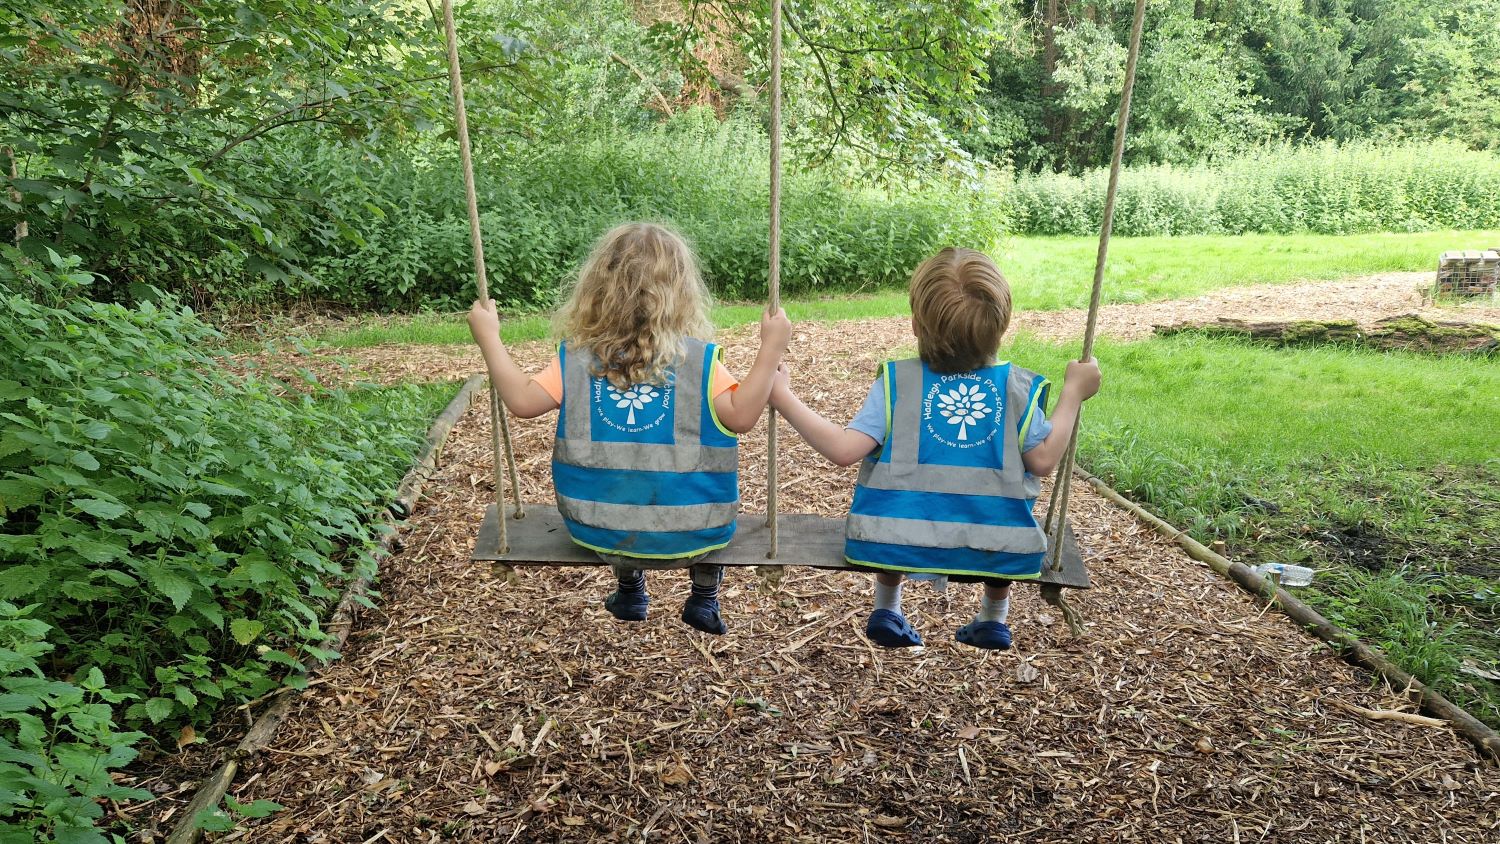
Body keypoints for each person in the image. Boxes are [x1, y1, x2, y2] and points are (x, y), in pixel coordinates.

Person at [769, 247, 1100, 650]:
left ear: (914, 324)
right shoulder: (1016, 389)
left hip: (891, 540)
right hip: (995, 545)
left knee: (898, 509)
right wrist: (1072, 394)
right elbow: (1044, 460)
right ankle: (993, 617)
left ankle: (888, 607)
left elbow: (842, 450)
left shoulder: (899, 382)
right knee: (1002, 514)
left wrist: (784, 397)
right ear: (1002, 325)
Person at [467, 222, 790, 635]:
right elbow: (743, 416)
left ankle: (630, 589)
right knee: (698, 504)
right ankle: (704, 596)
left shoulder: (576, 360)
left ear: (597, 292)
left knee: (625, 494)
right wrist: (771, 349)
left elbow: (522, 402)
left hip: (597, 525)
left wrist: (490, 339)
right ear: (681, 294)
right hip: (695, 529)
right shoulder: (699, 362)